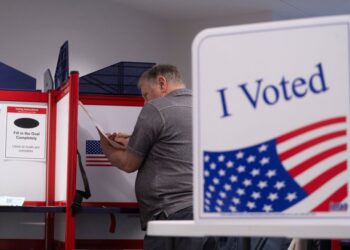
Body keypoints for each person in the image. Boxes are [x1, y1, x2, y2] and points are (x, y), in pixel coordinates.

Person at [100, 64, 216, 250]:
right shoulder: (208, 107)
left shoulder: (157, 108)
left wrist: (105, 146)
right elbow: (174, 145)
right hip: (207, 214)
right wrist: (133, 141)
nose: (145, 102)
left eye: (146, 94)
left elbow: (129, 163)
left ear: (162, 83)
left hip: (170, 216)